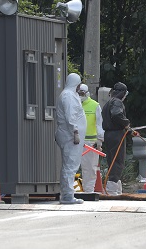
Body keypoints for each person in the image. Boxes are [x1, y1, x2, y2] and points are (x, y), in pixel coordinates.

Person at [55, 73, 87, 204]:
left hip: (69, 135)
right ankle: (68, 195)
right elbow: (70, 116)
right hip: (70, 136)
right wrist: (75, 132)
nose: (80, 86)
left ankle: (68, 194)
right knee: (70, 165)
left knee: (70, 165)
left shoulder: (70, 94)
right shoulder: (68, 95)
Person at [101, 82, 135, 195]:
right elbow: (116, 115)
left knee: (113, 160)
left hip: (110, 135)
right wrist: (126, 124)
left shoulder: (108, 103)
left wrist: (129, 130)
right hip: (116, 135)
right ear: (122, 93)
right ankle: (112, 187)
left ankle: (115, 186)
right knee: (118, 161)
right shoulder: (117, 102)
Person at [78, 84, 105, 193]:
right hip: (76, 141)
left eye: (82, 93)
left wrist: (99, 141)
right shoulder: (75, 104)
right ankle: (75, 190)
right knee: (73, 168)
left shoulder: (94, 105)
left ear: (87, 93)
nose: (80, 95)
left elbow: (99, 124)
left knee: (90, 168)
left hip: (90, 142)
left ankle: (88, 191)